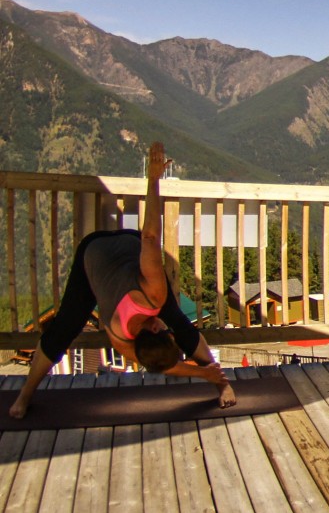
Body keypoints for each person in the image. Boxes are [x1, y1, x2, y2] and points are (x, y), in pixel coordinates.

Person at [7, 142, 235, 419]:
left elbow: (150, 236)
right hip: (100, 255)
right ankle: (24, 395)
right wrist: (206, 373)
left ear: (153, 330)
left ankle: (23, 397)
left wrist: (152, 179)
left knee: (66, 330)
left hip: (108, 258)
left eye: (165, 332)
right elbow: (163, 364)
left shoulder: (128, 332)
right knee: (65, 329)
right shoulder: (147, 307)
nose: (166, 326)